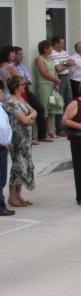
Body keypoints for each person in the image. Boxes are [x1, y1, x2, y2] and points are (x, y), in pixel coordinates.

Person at [4, 76, 37, 207]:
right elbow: (24, 120)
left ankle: (18, 195)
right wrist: (29, 118)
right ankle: (12, 196)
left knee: (26, 164)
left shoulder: (21, 99)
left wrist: (29, 117)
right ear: (16, 87)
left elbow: (34, 112)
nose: (24, 86)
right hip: (17, 139)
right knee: (18, 166)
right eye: (22, 84)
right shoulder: (11, 102)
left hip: (26, 138)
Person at [13, 46, 50, 143]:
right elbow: (17, 81)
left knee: (40, 108)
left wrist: (24, 80)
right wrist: (23, 80)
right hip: (17, 91)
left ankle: (42, 135)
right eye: (20, 54)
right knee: (26, 111)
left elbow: (29, 80)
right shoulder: (10, 66)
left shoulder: (22, 66)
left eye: (22, 54)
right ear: (14, 55)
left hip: (25, 89)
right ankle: (30, 138)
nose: (22, 56)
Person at [34, 40, 61, 139]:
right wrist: (56, 80)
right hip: (44, 86)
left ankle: (50, 130)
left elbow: (54, 71)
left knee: (51, 108)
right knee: (44, 108)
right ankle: (44, 131)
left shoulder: (50, 59)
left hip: (52, 86)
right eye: (50, 48)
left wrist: (56, 82)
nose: (51, 49)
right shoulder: (39, 59)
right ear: (44, 49)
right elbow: (44, 73)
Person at [0, 83, 13, 216]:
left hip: (3, 145)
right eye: (2, 92)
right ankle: (0, 206)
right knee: (1, 178)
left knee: (2, 178)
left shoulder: (1, 107)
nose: (3, 95)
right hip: (1, 146)